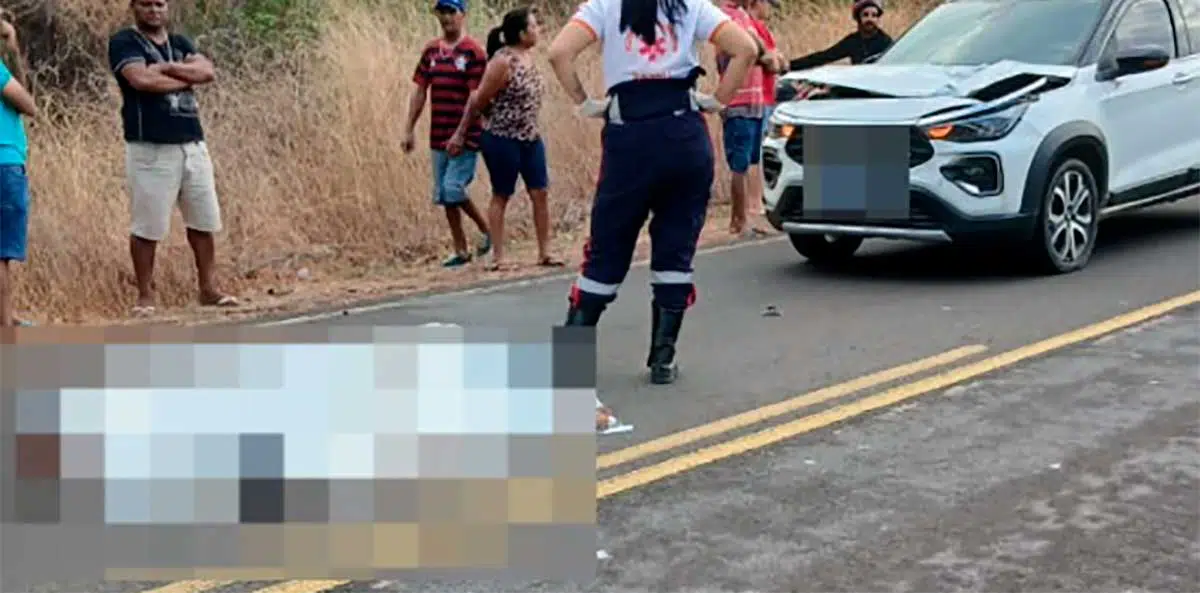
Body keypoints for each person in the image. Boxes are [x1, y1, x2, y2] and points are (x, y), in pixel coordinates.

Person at [547, 0, 759, 384]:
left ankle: (568, 361)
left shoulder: (604, 6)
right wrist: (718, 100)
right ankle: (662, 359)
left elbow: (559, 52)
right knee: (676, 247)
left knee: (607, 247)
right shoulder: (691, 5)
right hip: (684, 134)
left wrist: (586, 103)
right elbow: (746, 48)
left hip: (629, 135)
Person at [108, 0, 238, 316]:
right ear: (134, 7)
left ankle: (208, 288)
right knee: (148, 225)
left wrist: (166, 68)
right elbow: (141, 80)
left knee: (203, 220)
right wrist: (187, 78)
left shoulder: (180, 43)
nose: (154, 10)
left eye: (160, 4)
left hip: (192, 143)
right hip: (151, 145)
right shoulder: (125, 41)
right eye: (146, 4)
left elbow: (207, 71)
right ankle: (145, 295)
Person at [447, 6, 563, 271]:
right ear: (521, 33)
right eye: (533, 26)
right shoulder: (502, 62)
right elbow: (478, 100)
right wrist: (461, 133)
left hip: (530, 135)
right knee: (501, 194)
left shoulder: (529, 58)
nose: (538, 30)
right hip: (502, 137)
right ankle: (498, 256)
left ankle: (545, 252)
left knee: (540, 192)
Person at [402, 0, 492, 269]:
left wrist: (461, 134)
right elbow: (420, 90)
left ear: (462, 14)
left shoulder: (473, 52)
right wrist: (409, 128)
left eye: (451, 11)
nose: (446, 18)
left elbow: (476, 97)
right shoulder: (431, 51)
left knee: (454, 189)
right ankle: (460, 249)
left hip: (465, 133)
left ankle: (488, 231)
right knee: (443, 194)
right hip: (438, 132)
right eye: (441, 12)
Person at [715, 0, 769, 237]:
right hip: (738, 100)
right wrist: (760, 49)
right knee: (740, 164)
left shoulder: (741, 14)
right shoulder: (724, 15)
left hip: (754, 100)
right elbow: (750, 48)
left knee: (750, 161)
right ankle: (739, 220)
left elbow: (757, 47)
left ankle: (747, 216)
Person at [0, 12, 36, 328]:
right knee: (1, 252)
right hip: (4, 161)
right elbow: (28, 103)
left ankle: (6, 316)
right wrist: (11, 44)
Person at [747, 0, 785, 233]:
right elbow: (772, 62)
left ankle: (763, 199)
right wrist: (774, 58)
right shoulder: (750, 26)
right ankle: (756, 205)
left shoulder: (762, 28)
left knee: (763, 151)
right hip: (759, 97)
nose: (769, 8)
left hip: (769, 95)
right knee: (756, 153)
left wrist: (775, 58)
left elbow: (779, 60)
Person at [787, 0, 892, 71]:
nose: (870, 19)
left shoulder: (886, 42)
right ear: (858, 18)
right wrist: (790, 65)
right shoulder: (853, 41)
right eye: (865, 15)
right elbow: (825, 56)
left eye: (874, 15)